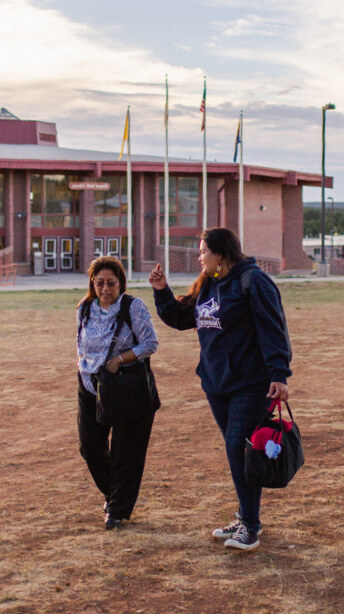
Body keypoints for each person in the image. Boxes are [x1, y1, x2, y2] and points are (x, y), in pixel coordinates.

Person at [149, 228, 292, 551]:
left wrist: (279, 374)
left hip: (251, 385)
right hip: (217, 384)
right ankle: (245, 517)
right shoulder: (209, 283)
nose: (200, 258)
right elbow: (182, 317)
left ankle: (250, 527)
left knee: (239, 449)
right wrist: (161, 291)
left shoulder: (253, 281)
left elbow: (274, 327)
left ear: (221, 255)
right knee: (240, 454)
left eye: (203, 252)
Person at [77, 256, 159, 529]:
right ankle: (114, 494)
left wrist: (120, 359)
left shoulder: (133, 307)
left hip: (126, 387)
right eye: (99, 283)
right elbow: (81, 342)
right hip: (91, 387)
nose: (105, 289)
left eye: (111, 283)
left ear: (120, 283)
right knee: (90, 447)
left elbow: (150, 343)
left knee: (127, 452)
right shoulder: (85, 308)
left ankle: (118, 510)